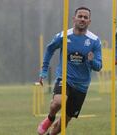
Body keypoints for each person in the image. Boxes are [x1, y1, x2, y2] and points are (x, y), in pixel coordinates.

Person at [37, 7, 102, 135]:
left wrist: (91, 61)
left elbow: (98, 66)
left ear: (89, 21)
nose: (82, 19)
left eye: (85, 17)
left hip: (82, 86)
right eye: (80, 16)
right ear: (74, 18)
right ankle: (50, 117)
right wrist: (44, 70)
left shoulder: (95, 41)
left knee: (62, 124)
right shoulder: (63, 36)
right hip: (65, 78)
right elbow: (50, 49)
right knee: (58, 102)